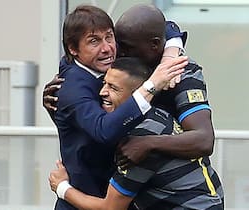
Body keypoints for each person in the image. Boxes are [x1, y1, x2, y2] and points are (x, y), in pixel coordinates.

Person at [51, 4, 188, 210]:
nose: (107, 48)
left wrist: (169, 57)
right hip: (85, 200)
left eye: (109, 36)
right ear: (73, 49)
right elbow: (104, 130)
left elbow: (167, 27)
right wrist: (151, 86)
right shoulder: (71, 87)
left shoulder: (110, 63)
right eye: (94, 41)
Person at [49, 57, 224, 210]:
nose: (102, 92)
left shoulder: (139, 139)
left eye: (113, 88)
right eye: (104, 83)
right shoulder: (154, 115)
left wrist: (62, 187)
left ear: (137, 95)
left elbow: (111, 207)